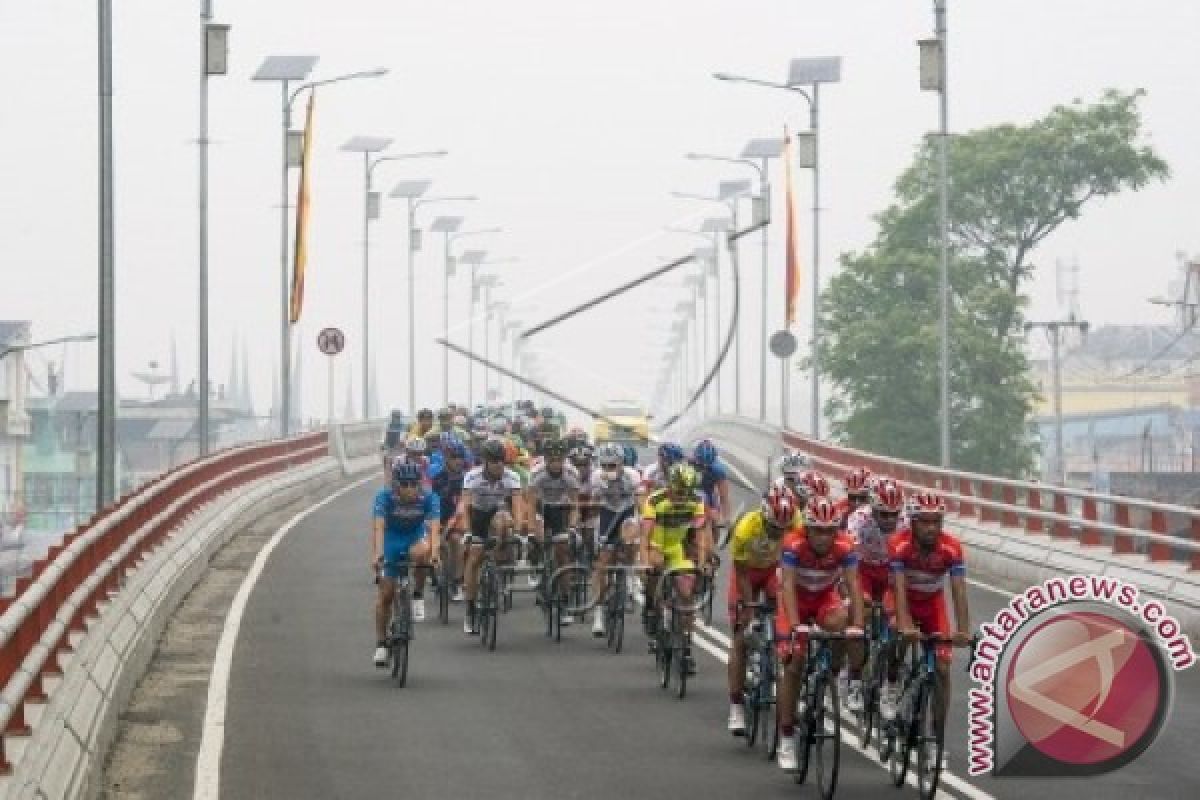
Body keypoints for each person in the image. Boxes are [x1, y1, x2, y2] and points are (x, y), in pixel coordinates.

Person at [775, 496, 863, 772]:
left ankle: (832, 673)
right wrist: (795, 625)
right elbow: (787, 585)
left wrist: (857, 625)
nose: (824, 537)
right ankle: (787, 738)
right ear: (807, 528)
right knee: (794, 665)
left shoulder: (845, 546)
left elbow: (854, 586)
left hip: (824, 597)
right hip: (795, 600)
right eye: (817, 530)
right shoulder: (793, 543)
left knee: (843, 626)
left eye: (829, 531)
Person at [884, 490, 971, 735]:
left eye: (937, 522)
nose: (931, 528)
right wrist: (905, 625)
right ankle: (891, 686)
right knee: (897, 633)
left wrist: (963, 630)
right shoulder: (898, 544)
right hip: (903, 599)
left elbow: (958, 591)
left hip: (932, 603)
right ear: (912, 522)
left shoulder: (951, 548)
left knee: (943, 669)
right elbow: (899, 589)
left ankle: (936, 738)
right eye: (925, 522)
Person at [725, 485, 798, 735]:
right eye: (774, 527)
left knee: (784, 614)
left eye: (783, 529)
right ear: (764, 516)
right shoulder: (746, 528)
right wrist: (748, 610)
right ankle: (735, 705)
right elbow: (742, 572)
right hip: (747, 573)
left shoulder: (796, 522)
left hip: (773, 571)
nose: (779, 532)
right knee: (741, 636)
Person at [641, 463, 711, 675]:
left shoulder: (696, 501)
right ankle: (652, 608)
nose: (683, 496)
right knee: (654, 568)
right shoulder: (654, 501)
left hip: (679, 548)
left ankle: (686, 647)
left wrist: (702, 564)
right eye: (679, 490)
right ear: (670, 485)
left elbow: (700, 538)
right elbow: (645, 538)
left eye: (687, 492)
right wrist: (646, 563)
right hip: (657, 544)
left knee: (687, 595)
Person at [842, 477, 905, 712]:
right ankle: (855, 680)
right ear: (873, 508)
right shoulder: (859, 518)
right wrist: (854, 595)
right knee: (862, 612)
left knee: (898, 625)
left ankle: (890, 683)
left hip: (891, 573)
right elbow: (849, 557)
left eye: (894, 514)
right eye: (883, 514)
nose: (890, 520)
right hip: (864, 570)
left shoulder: (907, 521)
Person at [371, 462, 441, 667]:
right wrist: (377, 554)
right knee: (385, 595)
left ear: (419, 484)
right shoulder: (384, 497)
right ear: (396, 484)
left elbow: (435, 529)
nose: (409, 488)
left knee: (424, 552)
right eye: (404, 484)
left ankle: (418, 594)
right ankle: (381, 644)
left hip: (414, 536)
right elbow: (378, 527)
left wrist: (435, 554)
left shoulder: (429, 497)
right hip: (391, 539)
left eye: (413, 483)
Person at [456, 438, 525, 635]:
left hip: (497, 514)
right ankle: (470, 608)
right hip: (476, 516)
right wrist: (468, 532)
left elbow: (518, 507)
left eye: (501, 460)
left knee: (504, 519)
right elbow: (465, 507)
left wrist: (520, 532)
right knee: (475, 557)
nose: (499, 464)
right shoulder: (472, 477)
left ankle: (499, 560)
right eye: (494, 461)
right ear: (485, 461)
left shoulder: (512, 477)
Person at [587, 443, 642, 637]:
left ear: (621, 463)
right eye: (605, 465)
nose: (609, 469)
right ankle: (599, 614)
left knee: (630, 544)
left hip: (626, 514)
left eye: (613, 465)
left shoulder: (633, 476)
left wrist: (642, 522)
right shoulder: (595, 477)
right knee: (603, 563)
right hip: (607, 515)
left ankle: (628, 578)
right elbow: (593, 505)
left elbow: (641, 503)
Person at [524, 438, 581, 623]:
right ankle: (537, 565)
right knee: (537, 536)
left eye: (559, 459)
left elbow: (574, 506)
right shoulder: (536, 472)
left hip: (560, 508)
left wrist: (572, 526)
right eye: (552, 459)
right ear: (545, 459)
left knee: (563, 552)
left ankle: (565, 601)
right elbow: (531, 505)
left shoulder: (571, 473)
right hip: (541, 506)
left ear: (564, 458)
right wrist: (532, 529)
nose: (556, 463)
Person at [431, 440, 469, 602]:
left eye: (461, 457)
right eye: (454, 457)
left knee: (457, 542)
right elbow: (433, 504)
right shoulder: (438, 478)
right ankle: (437, 575)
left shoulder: (467, 478)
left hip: (458, 520)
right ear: (446, 458)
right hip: (440, 519)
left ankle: (457, 581)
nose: (458, 460)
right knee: (440, 545)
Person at [691, 439, 732, 535]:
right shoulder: (688, 463)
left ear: (713, 462)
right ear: (695, 457)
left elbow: (724, 498)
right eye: (700, 464)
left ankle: (713, 539)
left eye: (707, 466)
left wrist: (726, 519)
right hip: (690, 494)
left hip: (708, 496)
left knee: (713, 518)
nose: (703, 468)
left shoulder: (718, 471)